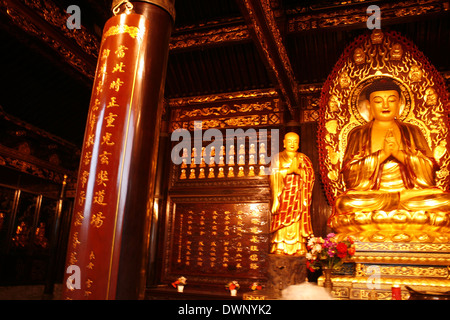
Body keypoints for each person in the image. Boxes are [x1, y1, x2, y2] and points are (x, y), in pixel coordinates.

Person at [335, 78, 450, 215]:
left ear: (400, 104)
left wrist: (398, 154)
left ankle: (398, 204)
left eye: (391, 100)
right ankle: (399, 206)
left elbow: (429, 170)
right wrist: (382, 154)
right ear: (369, 105)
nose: (385, 105)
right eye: (378, 101)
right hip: (373, 197)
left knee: (445, 201)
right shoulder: (359, 133)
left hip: (410, 194)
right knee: (344, 204)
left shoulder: (412, 131)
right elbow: (349, 173)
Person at [270, 132, 315, 255]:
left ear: (299, 143)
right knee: (282, 218)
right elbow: (273, 176)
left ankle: (299, 246)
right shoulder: (277, 158)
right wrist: (289, 171)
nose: (292, 143)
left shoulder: (303, 158)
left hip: (299, 195)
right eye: (289, 141)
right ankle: (280, 245)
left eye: (295, 141)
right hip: (283, 195)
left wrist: (300, 172)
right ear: (284, 143)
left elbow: (310, 176)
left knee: (298, 219)